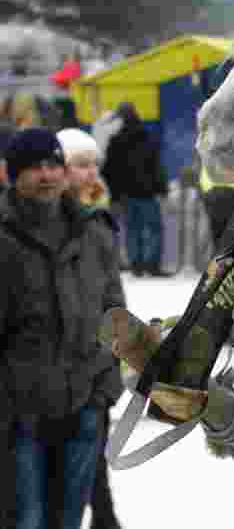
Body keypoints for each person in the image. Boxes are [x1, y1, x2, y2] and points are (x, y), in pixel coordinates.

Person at [0, 128, 126, 529]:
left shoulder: (94, 232)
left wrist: (107, 385)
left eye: (53, 165)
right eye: (34, 167)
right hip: (20, 413)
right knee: (26, 519)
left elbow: (114, 314)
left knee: (68, 520)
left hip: (84, 403)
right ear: (11, 174)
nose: (46, 175)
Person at [56, 127, 122, 529]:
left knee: (92, 448)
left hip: (96, 361)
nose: (91, 173)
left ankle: (104, 516)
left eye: (94, 164)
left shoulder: (99, 219)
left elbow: (111, 295)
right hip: (56, 367)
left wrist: (120, 351)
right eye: (81, 165)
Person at [102, 101, 170, 276]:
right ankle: (153, 265)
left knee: (132, 229)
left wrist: (114, 195)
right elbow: (156, 166)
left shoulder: (115, 141)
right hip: (148, 193)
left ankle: (136, 265)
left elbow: (109, 171)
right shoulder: (147, 137)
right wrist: (162, 189)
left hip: (126, 195)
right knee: (154, 229)